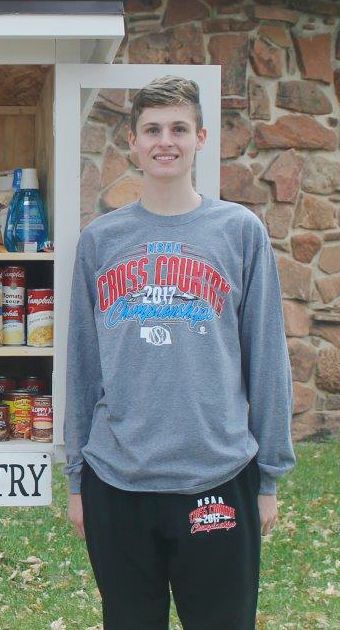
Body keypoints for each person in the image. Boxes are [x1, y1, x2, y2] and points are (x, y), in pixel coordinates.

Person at [64, 76, 295, 629]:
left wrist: (268, 478)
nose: (165, 140)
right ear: (133, 143)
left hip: (216, 474)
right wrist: (76, 480)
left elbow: (266, 356)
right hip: (118, 479)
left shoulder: (239, 232)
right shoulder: (101, 241)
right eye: (152, 130)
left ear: (201, 138)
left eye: (178, 128)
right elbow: (82, 365)